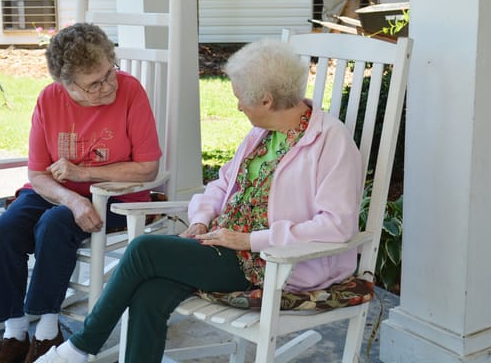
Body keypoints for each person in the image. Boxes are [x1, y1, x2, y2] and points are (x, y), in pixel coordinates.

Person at [34, 38, 363, 363]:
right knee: (150, 294)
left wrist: (250, 239)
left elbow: (336, 225)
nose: (237, 106)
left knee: (144, 250)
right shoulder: (262, 133)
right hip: (223, 244)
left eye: (240, 98)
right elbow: (221, 185)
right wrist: (200, 220)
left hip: (273, 264)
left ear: (265, 100)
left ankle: (78, 348)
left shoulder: (330, 141)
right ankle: (80, 351)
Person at [0, 22, 162, 363]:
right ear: (66, 86)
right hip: (58, 193)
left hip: (115, 195)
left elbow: (147, 168)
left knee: (54, 225)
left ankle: (47, 332)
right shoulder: (49, 100)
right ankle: (15, 332)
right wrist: (72, 197)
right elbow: (37, 173)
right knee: (4, 231)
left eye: (109, 73)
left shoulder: (130, 91)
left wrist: (83, 175)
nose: (108, 86)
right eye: (94, 84)